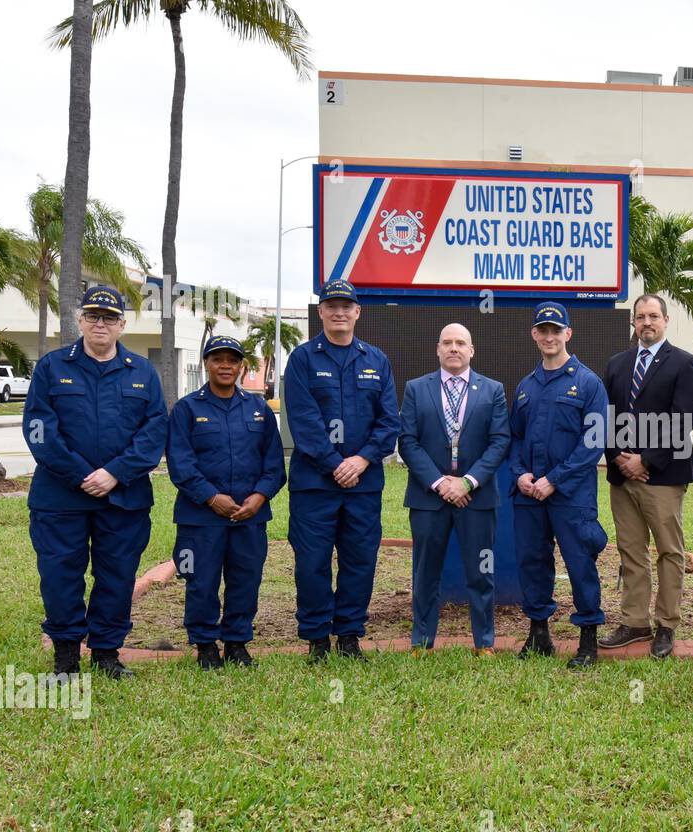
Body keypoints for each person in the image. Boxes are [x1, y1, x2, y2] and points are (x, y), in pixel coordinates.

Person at [23, 285, 167, 680]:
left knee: (117, 576)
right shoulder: (52, 368)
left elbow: (154, 431)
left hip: (124, 499)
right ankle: (66, 660)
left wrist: (114, 473)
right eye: (92, 316)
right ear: (80, 321)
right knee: (60, 576)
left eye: (109, 317)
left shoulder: (142, 373)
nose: (100, 323)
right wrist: (81, 475)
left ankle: (106, 655)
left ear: (122, 324)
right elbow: (38, 430)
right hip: (60, 498)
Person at [283, 279, 400, 661]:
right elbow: (303, 422)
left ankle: (349, 636)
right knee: (312, 562)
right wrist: (335, 464)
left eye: (346, 306)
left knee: (359, 560)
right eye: (331, 305)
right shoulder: (302, 359)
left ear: (357, 312)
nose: (339, 312)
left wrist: (361, 460)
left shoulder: (377, 360)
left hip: (363, 485)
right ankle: (317, 638)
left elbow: (389, 422)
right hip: (315, 485)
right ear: (320, 312)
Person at [166, 335, 286, 669]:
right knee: (201, 581)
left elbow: (274, 463)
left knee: (245, 580)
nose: (225, 366)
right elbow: (180, 463)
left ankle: (236, 642)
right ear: (206, 363)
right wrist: (211, 498)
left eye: (232, 360)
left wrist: (259, 497)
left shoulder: (259, 409)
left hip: (250, 516)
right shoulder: (188, 409)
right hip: (200, 518)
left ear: (241, 366)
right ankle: (205, 645)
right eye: (217, 359)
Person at [598, 294, 693, 659]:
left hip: (663, 476)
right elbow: (605, 417)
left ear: (666, 320)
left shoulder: (684, 363)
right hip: (622, 477)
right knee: (631, 551)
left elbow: (683, 418)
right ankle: (634, 622)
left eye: (653, 316)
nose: (647, 322)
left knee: (669, 551)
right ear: (634, 323)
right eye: (640, 317)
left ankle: (666, 625)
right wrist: (619, 459)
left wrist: (646, 461)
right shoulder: (616, 364)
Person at [397, 323, 510, 656]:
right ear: (437, 349)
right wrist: (439, 482)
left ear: (471, 350)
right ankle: (421, 643)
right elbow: (408, 441)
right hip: (429, 498)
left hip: (476, 497)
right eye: (447, 342)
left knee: (481, 573)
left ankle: (484, 643)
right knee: (425, 573)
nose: (454, 348)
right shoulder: (416, 389)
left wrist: (467, 481)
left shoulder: (493, 390)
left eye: (461, 343)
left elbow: (500, 440)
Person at [509, 301, 609, 669]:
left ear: (568, 333)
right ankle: (539, 634)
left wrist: (554, 479)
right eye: (543, 330)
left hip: (571, 496)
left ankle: (588, 640)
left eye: (556, 330)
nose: (549, 336)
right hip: (529, 494)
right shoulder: (525, 386)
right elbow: (514, 438)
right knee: (532, 562)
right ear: (535, 335)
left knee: (580, 563)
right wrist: (520, 473)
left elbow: (593, 442)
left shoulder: (587, 383)